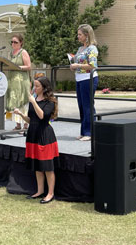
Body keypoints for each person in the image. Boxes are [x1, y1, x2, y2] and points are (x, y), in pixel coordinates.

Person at [14, 76, 59, 204]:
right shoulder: (34, 100)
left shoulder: (50, 101)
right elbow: (31, 119)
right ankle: (40, 191)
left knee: (48, 167)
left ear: (44, 88)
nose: (35, 88)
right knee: (38, 167)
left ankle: (50, 193)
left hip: (44, 136)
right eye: (34, 85)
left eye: (37, 86)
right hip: (32, 135)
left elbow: (43, 117)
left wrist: (33, 102)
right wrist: (22, 115)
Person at [70, 24, 99, 141]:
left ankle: (90, 132)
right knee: (81, 106)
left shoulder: (92, 48)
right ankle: (84, 131)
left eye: (80, 34)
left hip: (88, 79)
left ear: (87, 35)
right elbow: (78, 62)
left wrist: (78, 65)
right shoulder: (80, 49)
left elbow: (92, 65)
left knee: (88, 106)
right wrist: (73, 65)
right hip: (79, 78)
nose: (78, 36)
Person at [5, 34, 31, 131]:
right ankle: (18, 125)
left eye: (15, 42)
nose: (13, 44)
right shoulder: (11, 53)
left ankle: (25, 126)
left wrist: (18, 68)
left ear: (21, 43)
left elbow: (28, 66)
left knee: (22, 102)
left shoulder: (23, 52)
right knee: (15, 102)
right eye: (12, 42)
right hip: (12, 81)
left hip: (21, 81)